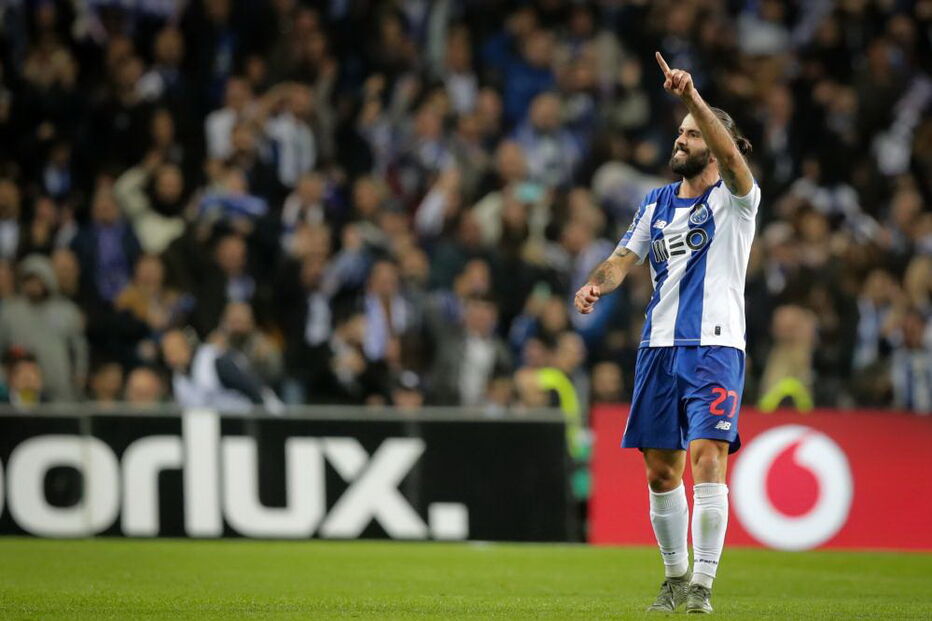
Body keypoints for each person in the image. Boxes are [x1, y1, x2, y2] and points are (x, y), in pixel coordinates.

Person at [574, 53, 760, 614]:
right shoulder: (653, 203)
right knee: (661, 472)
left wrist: (692, 98)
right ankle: (675, 577)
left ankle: (702, 585)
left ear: (711, 141)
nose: (680, 140)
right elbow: (621, 259)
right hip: (657, 348)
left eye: (691, 133)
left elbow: (729, 155)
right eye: (679, 132)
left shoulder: (736, 199)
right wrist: (595, 285)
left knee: (708, 456)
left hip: (715, 346)